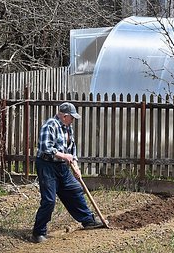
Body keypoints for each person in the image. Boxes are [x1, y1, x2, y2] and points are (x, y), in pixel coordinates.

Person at [31, 102, 104, 243]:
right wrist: (65, 156)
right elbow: (45, 147)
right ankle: (38, 232)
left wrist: (75, 165)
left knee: (75, 190)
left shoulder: (67, 128)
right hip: (47, 166)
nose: (73, 120)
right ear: (65, 116)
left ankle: (88, 220)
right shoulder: (50, 125)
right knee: (49, 200)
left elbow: (71, 149)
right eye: (72, 117)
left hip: (62, 167)